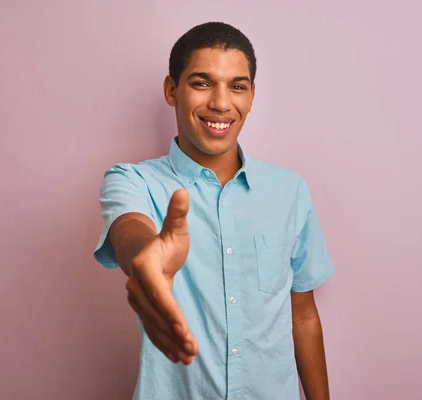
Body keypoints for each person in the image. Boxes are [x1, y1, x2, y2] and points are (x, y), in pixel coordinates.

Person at [94, 21, 334, 400]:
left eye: (237, 86)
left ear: (252, 96)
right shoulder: (132, 181)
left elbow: (302, 315)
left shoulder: (290, 190)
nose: (221, 103)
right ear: (172, 90)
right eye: (202, 83)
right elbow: (131, 232)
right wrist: (147, 256)